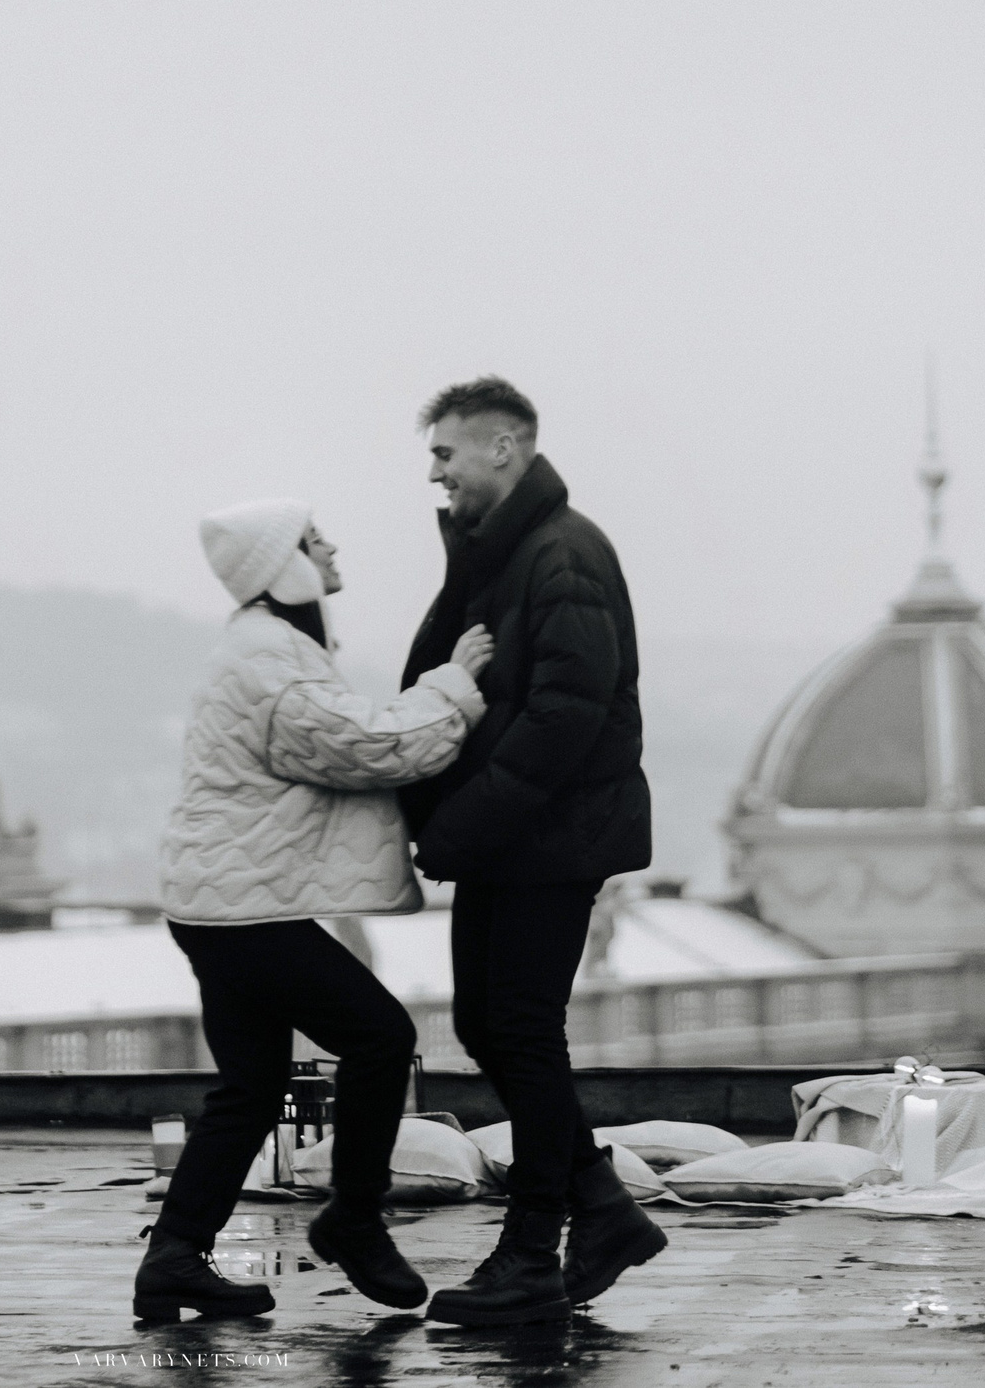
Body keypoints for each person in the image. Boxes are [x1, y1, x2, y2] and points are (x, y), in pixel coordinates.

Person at [136, 498, 495, 1324]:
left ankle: (175, 1260)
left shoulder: (268, 647)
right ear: (284, 565)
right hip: (242, 908)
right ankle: (354, 1220)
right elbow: (369, 745)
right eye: (312, 539)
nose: (331, 548)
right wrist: (454, 685)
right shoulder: (269, 656)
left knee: (250, 1089)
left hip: (222, 901)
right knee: (381, 1038)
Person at [397, 376, 667, 1327]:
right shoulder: (510, 555)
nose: (435, 473)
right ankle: (596, 1209)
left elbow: (564, 718)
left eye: (446, 453)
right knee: (491, 1023)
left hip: (546, 840)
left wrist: (461, 824)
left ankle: (533, 1249)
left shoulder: (563, 555)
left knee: (515, 1028)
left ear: (503, 446)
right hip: (515, 838)